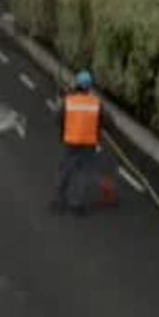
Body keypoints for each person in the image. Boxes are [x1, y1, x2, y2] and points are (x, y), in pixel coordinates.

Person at [55, 72, 103, 215]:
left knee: (65, 171)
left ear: (76, 85)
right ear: (89, 87)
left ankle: (60, 200)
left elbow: (57, 119)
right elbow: (108, 122)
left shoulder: (68, 101)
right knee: (83, 174)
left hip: (70, 142)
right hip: (89, 144)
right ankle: (77, 204)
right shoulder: (96, 103)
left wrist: (64, 130)